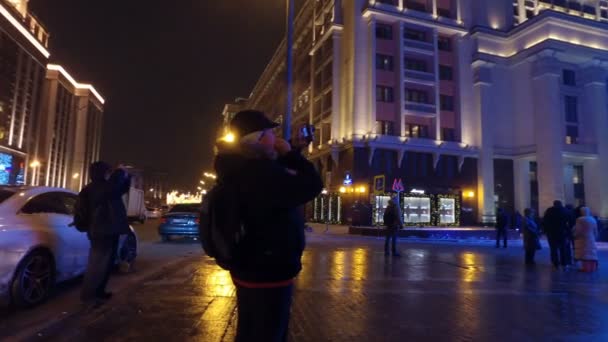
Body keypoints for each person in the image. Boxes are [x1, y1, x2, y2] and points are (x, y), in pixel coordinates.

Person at [214, 110, 323, 342]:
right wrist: (291, 155)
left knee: (250, 328)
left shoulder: (238, 167)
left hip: (247, 265)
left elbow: (276, 179)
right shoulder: (261, 174)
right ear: (259, 139)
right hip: (270, 267)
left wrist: (288, 151)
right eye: (270, 133)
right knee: (269, 331)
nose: (276, 136)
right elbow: (312, 184)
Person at [76, 162, 131, 304]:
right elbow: (112, 188)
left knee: (106, 265)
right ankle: (89, 297)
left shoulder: (106, 187)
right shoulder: (96, 188)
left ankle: (99, 292)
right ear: (101, 172)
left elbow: (121, 189)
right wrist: (119, 173)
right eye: (107, 171)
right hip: (101, 232)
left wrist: (126, 176)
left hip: (110, 230)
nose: (109, 174)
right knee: (97, 265)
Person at [542, 200, 572, 270]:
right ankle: (564, 263)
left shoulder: (549, 211)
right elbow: (570, 222)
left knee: (553, 249)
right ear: (561, 204)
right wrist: (568, 233)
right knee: (563, 249)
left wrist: (546, 231)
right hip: (562, 233)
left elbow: (545, 221)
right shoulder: (565, 211)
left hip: (552, 233)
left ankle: (555, 263)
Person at [573, 207, 599, 272]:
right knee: (591, 252)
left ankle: (586, 268)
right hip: (591, 237)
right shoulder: (593, 219)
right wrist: (595, 237)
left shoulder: (580, 219)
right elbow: (595, 230)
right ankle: (592, 267)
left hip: (583, 238)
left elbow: (578, 230)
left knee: (584, 253)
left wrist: (575, 235)